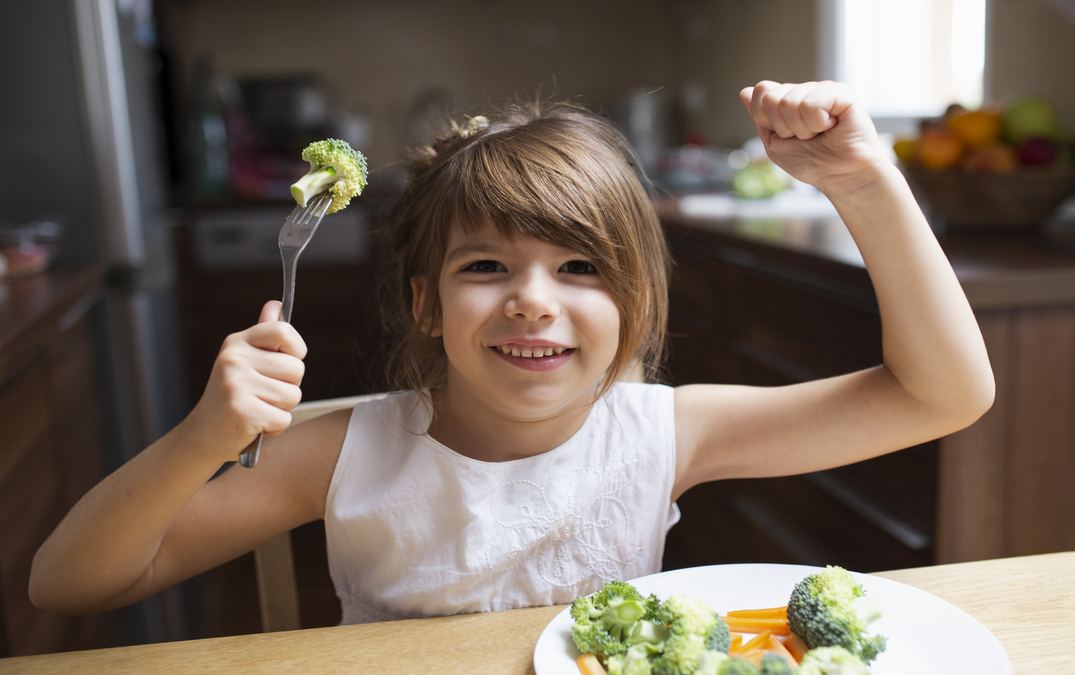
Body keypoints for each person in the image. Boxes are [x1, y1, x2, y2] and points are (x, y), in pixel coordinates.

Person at [30, 82, 994, 624]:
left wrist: (867, 185)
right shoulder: (341, 456)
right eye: (487, 264)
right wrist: (203, 436)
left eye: (581, 267)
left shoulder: (666, 431)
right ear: (427, 303)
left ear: (635, 302)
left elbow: (940, 394)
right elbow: (68, 583)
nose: (533, 300)